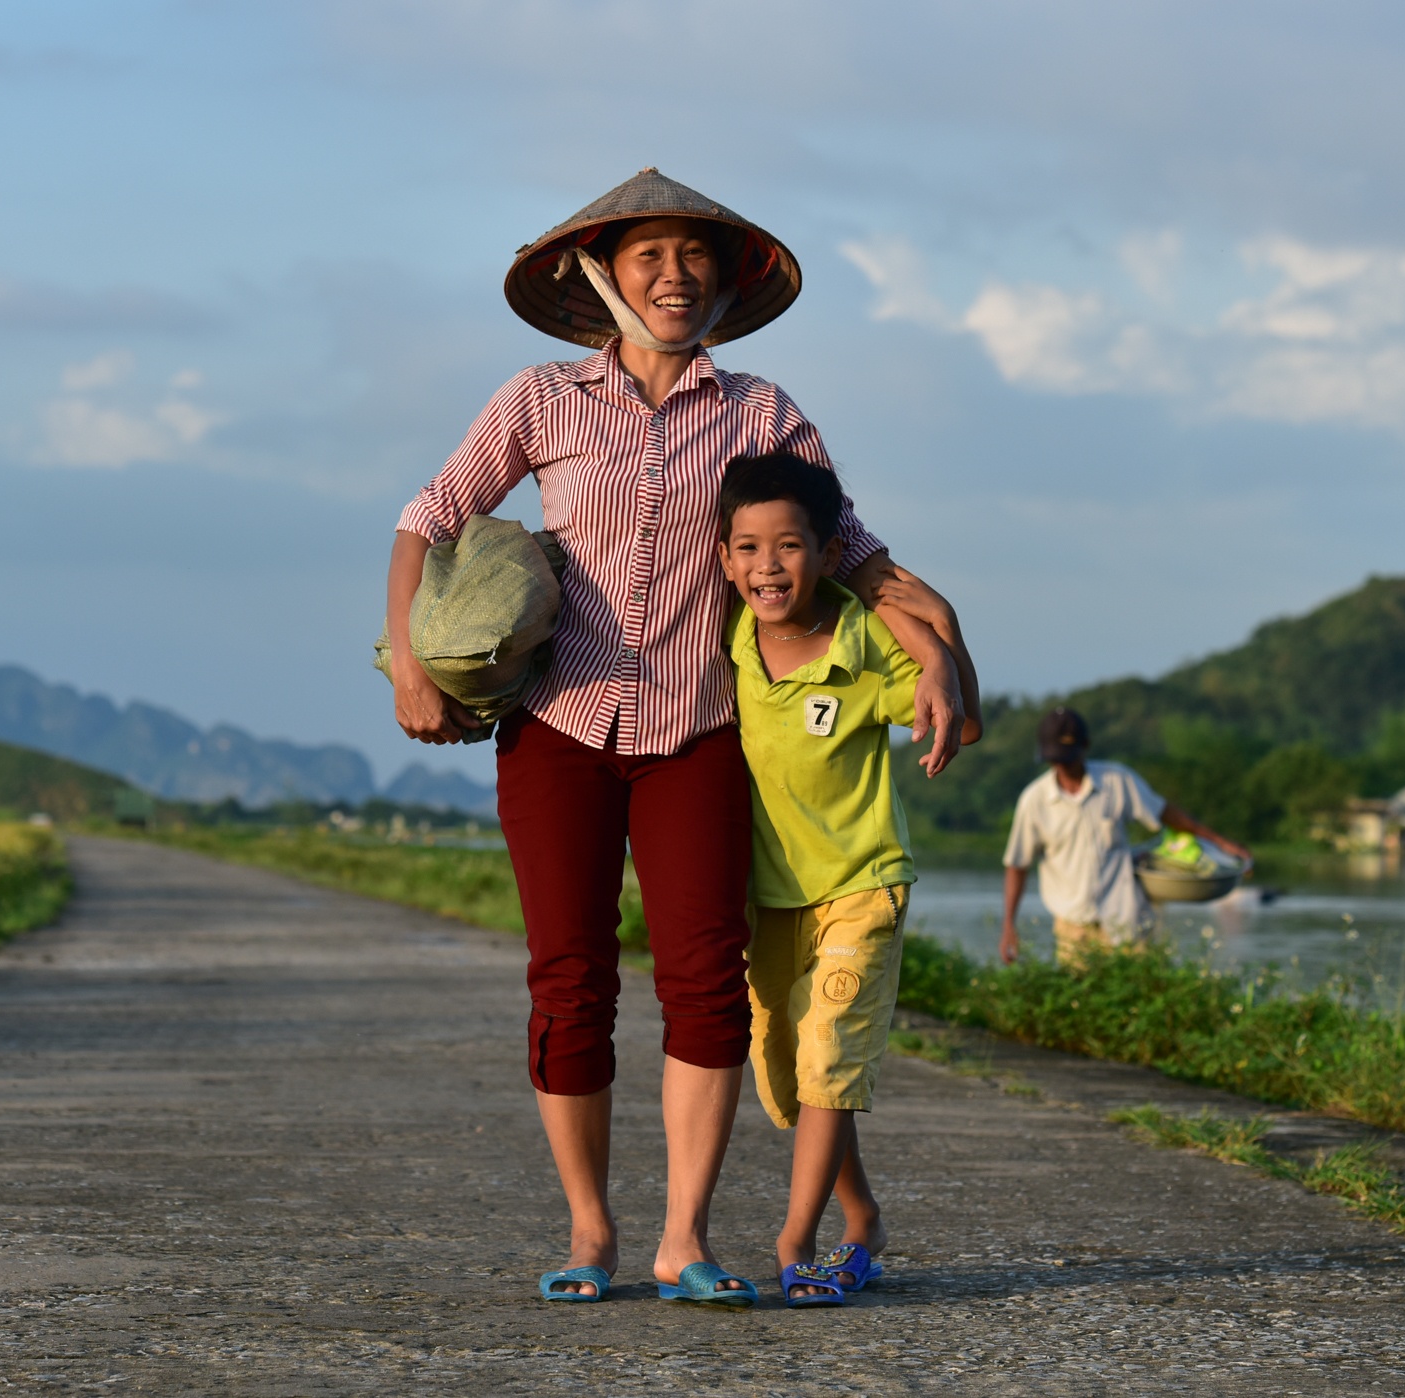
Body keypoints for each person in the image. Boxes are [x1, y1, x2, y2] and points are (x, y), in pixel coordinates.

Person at [383, 169, 970, 1305]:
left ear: (728, 282)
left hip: (701, 736)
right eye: (650, 254)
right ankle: (591, 1232)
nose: (674, 275)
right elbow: (428, 518)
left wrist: (939, 645)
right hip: (558, 728)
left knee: (706, 982)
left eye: (695, 257)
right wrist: (410, 661)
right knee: (568, 979)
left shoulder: (763, 415)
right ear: (600, 273)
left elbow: (853, 555)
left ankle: (683, 1240)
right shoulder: (540, 400)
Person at [717, 451, 980, 1307]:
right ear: (723, 558)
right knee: (789, 1074)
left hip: (862, 883)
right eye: (748, 548)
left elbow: (962, 721)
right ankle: (861, 1215)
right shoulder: (722, 640)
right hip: (770, 896)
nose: (768, 567)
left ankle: (796, 1241)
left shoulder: (865, 640)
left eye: (789, 546)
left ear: (831, 555)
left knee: (830, 1047)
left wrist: (942, 630)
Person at [1000, 708, 1250, 967]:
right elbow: (1017, 864)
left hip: (1125, 917)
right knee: (1080, 998)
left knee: (1143, 989)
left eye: (1068, 758)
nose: (1062, 766)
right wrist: (1009, 925)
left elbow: (1166, 813)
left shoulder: (1116, 781)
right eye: (1055, 759)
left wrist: (1221, 843)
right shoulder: (1035, 800)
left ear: (1085, 746)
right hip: (1072, 926)